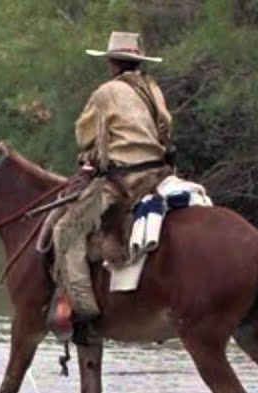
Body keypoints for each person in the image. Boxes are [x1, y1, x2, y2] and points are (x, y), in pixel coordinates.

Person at [51, 31, 174, 336]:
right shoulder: (153, 89)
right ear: (138, 62)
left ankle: (84, 308)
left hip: (125, 179)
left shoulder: (106, 92)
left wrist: (92, 156)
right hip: (158, 175)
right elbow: (166, 128)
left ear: (113, 63)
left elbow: (85, 135)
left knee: (65, 230)